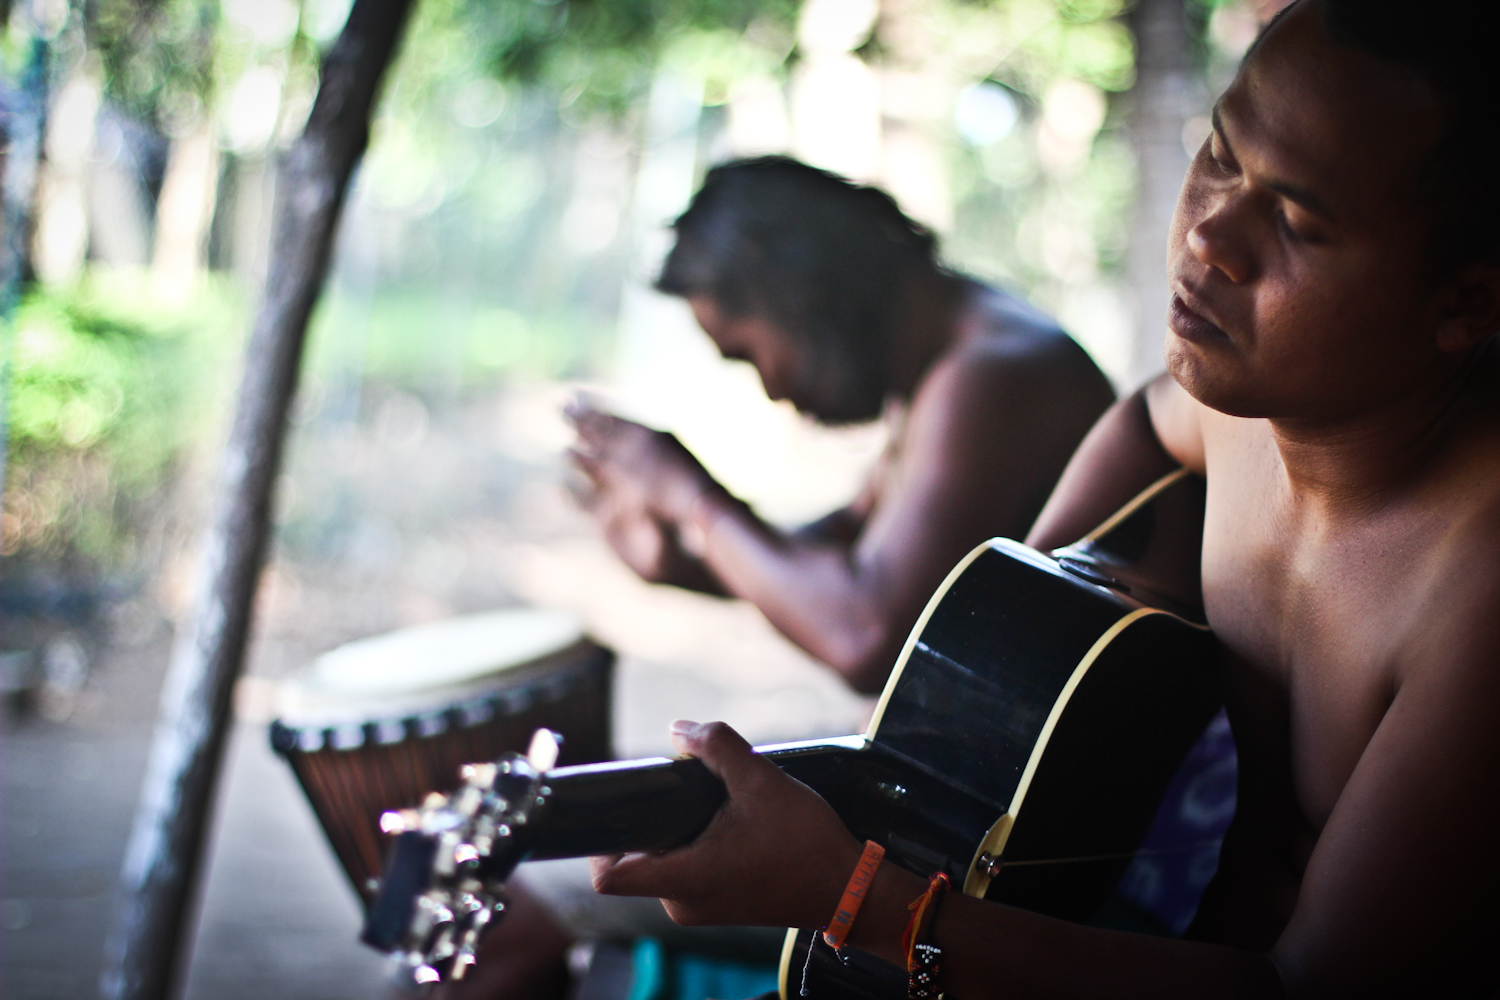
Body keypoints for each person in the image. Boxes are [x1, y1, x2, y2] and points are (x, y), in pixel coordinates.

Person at [589, 1, 1500, 995]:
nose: (1210, 235)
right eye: (1221, 157)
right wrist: (1036, 639)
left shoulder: (1473, 595)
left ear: (1469, 302)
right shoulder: (1223, 415)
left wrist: (851, 898)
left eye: (1295, 222)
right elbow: (1150, 420)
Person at [569, 156, 1116, 693]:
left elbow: (865, 634)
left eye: (748, 354)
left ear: (795, 290)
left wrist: (694, 500)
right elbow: (849, 545)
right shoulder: (938, 359)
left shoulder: (989, 374)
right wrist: (693, 560)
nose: (774, 390)